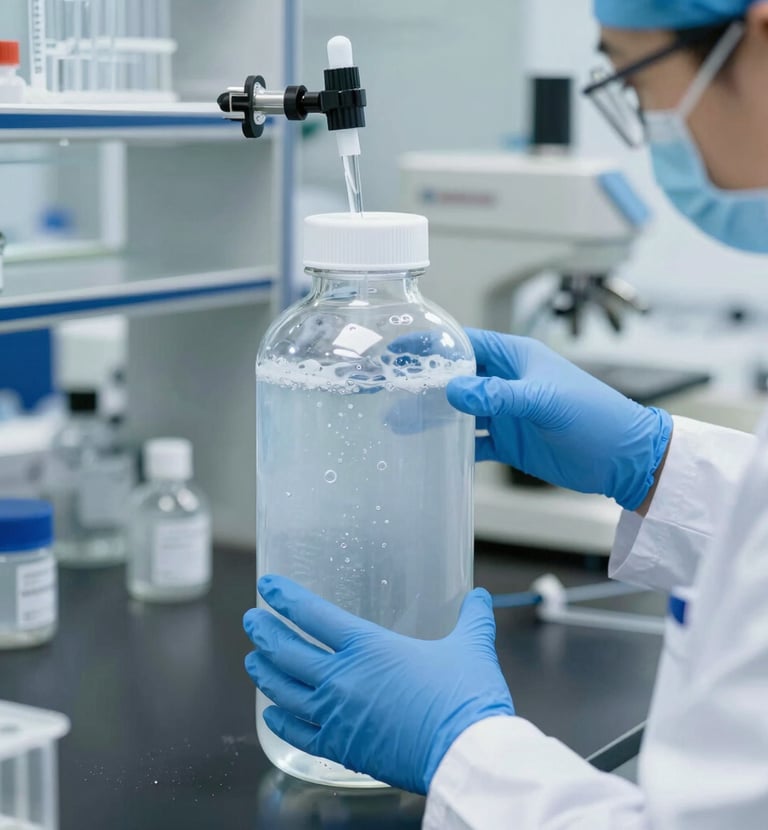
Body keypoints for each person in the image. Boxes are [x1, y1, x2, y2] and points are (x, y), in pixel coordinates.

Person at [243, 1, 768, 826]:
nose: (648, 124)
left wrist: (461, 747)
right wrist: (658, 461)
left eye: (633, 79)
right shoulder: (300, 341)